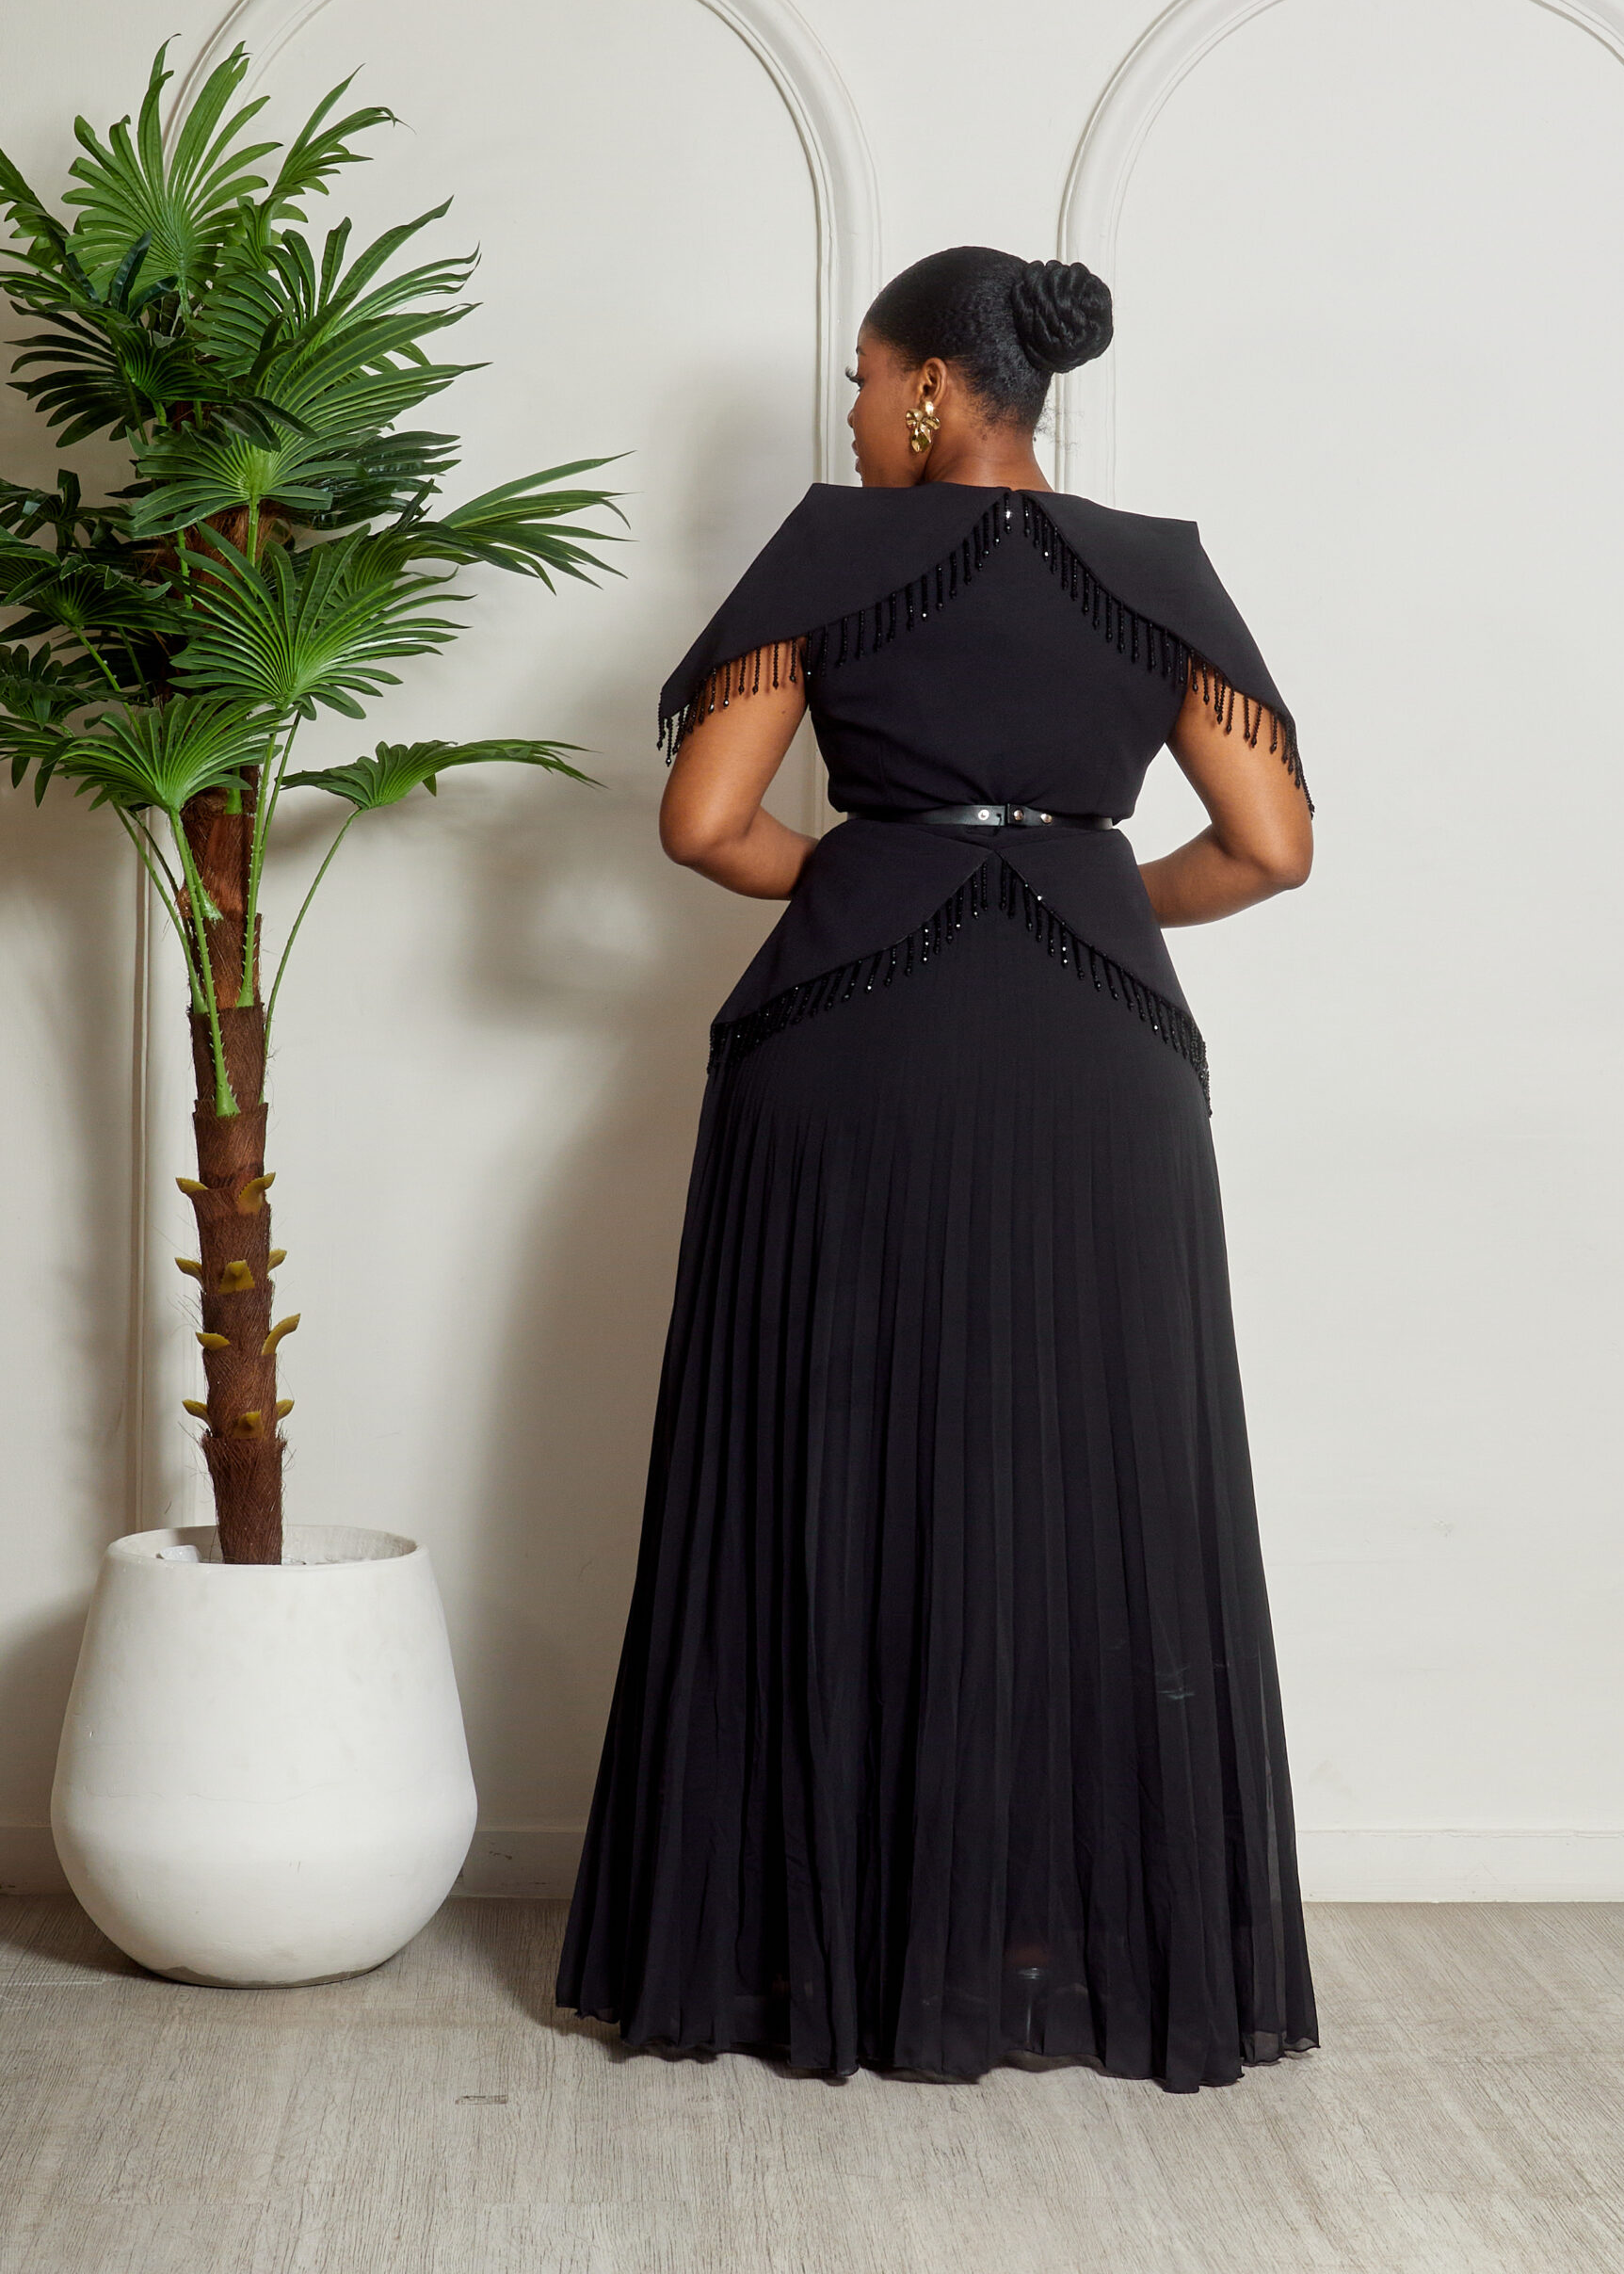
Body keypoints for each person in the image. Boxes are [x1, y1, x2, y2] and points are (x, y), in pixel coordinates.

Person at [556, 246, 1320, 2092]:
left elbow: (703, 822)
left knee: (825, 1453)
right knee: (1091, 1473)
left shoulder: (836, 555)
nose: (846, 410)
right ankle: (1049, 1941)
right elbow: (1272, 847)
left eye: (859, 375)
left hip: (854, 1038)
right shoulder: (1156, 570)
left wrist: (870, 872)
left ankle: (809, 1944)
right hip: (1101, 1055)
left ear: (924, 389)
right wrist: (1084, 893)